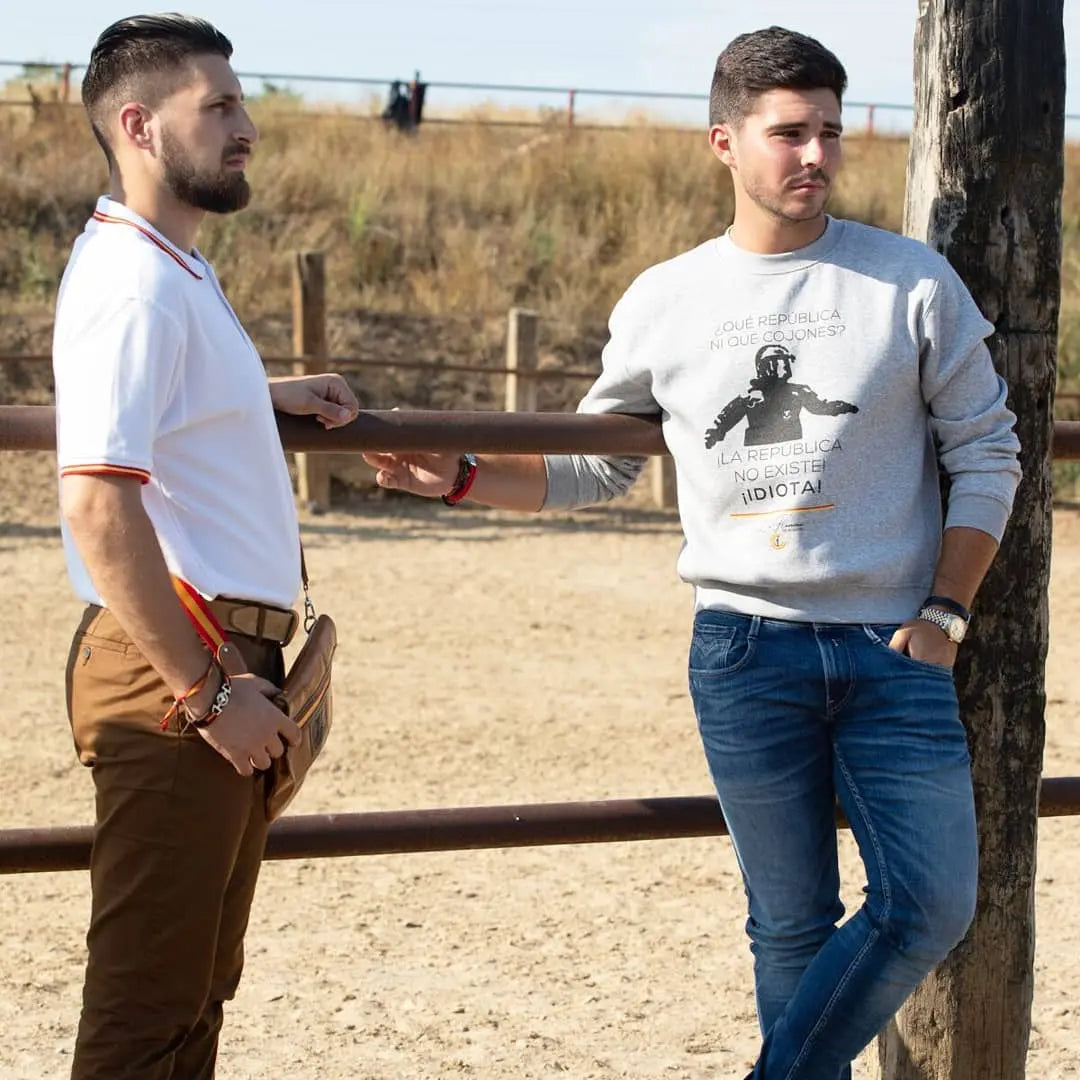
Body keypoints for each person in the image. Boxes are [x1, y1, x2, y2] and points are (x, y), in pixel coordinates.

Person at [362, 25, 1022, 1080]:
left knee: (932, 904)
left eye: (831, 134)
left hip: (895, 648)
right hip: (744, 651)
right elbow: (599, 464)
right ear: (725, 141)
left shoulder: (909, 282)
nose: (815, 155)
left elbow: (989, 453)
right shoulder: (666, 300)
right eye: (788, 133)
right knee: (788, 926)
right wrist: (467, 477)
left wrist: (945, 613)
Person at [53, 14, 358, 1079]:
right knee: (149, 1015)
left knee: (190, 1002)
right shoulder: (133, 285)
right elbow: (98, 504)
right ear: (139, 126)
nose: (249, 128)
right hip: (180, 669)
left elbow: (156, 416)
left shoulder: (169, 270)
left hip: (209, 664)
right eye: (218, 107)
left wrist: (260, 398)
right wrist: (207, 692)